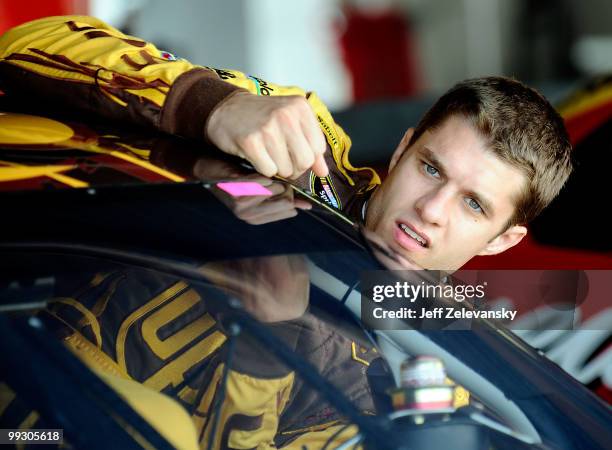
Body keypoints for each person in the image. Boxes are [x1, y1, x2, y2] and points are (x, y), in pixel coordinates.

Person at [0, 15, 573, 273]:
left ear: (504, 241)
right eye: (430, 168)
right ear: (401, 150)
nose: (431, 210)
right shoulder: (305, 146)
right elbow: (30, 44)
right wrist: (213, 106)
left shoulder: (453, 364)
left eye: (474, 204)